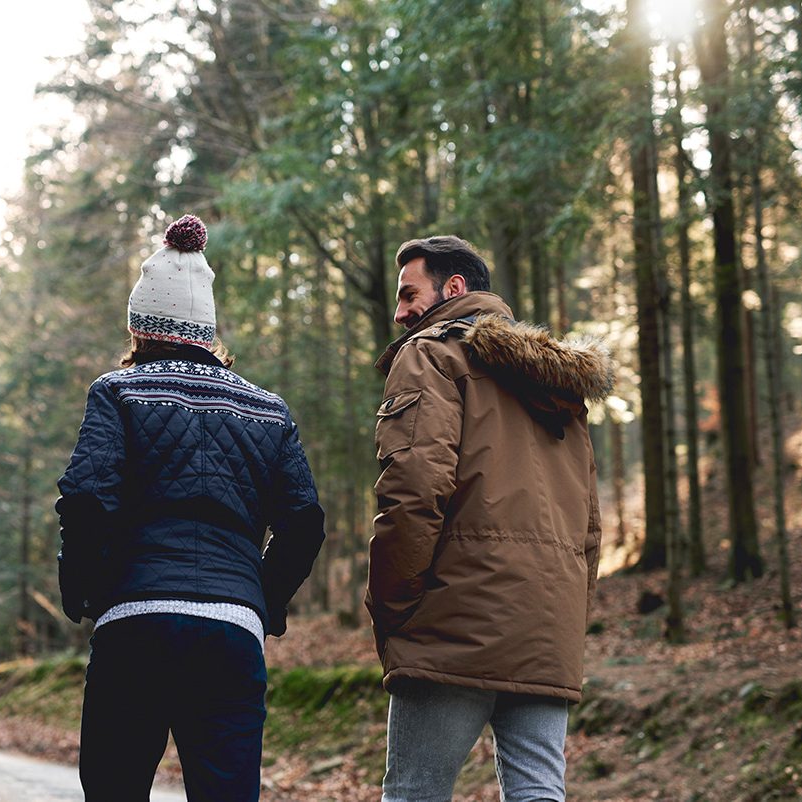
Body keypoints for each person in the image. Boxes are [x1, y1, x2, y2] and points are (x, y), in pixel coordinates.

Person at [55, 213, 325, 802]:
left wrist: (85, 587)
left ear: (141, 329)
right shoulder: (269, 410)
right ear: (207, 331)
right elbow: (304, 522)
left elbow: (85, 499)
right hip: (230, 632)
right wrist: (263, 598)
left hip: (135, 622)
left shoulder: (118, 391)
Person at [366, 235, 612, 802]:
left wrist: (394, 606)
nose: (399, 312)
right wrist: (566, 612)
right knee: (538, 792)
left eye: (409, 294)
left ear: (454, 289)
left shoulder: (429, 355)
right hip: (546, 622)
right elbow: (589, 526)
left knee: (413, 793)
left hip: (455, 618)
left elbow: (412, 491)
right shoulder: (557, 384)